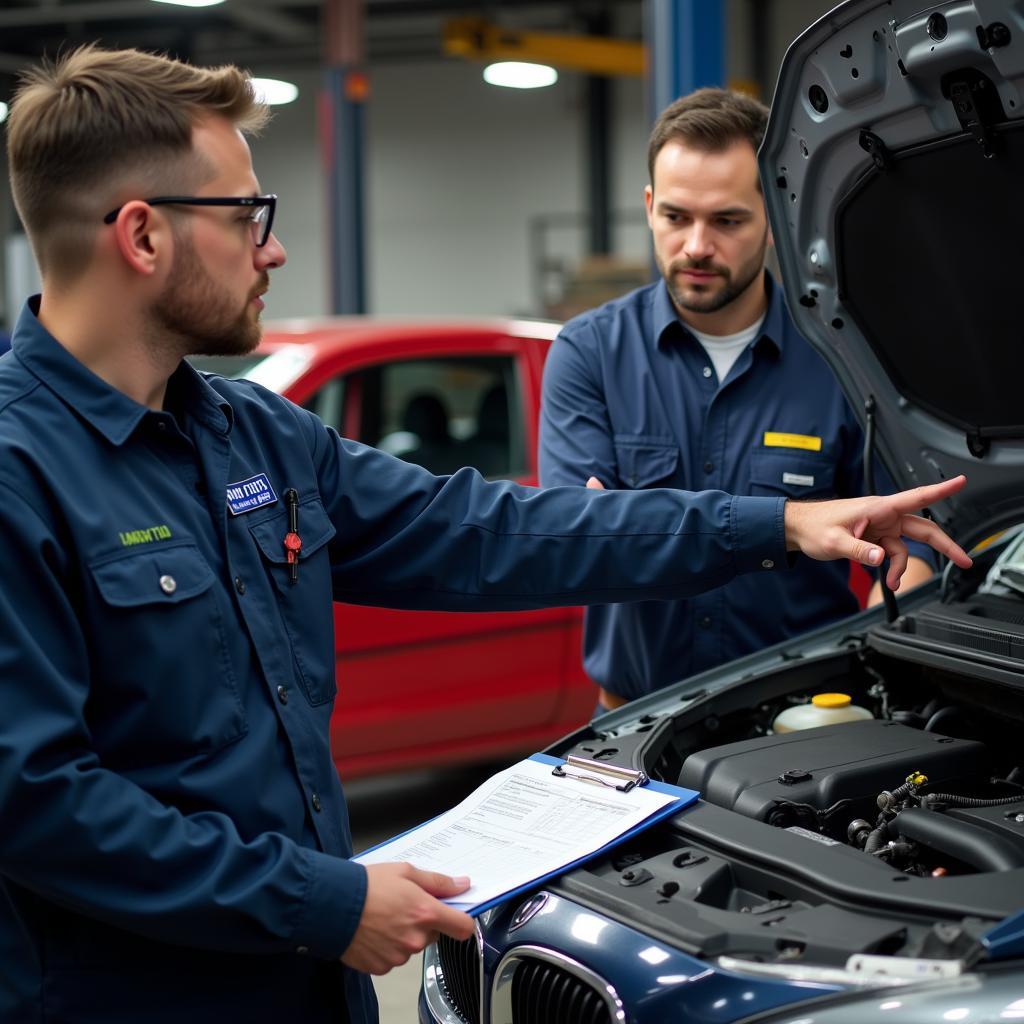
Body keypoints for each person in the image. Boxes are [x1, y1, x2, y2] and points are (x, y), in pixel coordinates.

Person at [0, 47, 969, 1024]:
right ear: (141, 235)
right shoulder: (18, 474)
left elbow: (493, 528)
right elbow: (37, 801)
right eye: (248, 215)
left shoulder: (250, 435)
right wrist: (325, 900)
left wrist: (778, 522)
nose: (273, 248)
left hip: (305, 987)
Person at [539, 88, 936, 713]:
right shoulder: (589, 354)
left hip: (806, 724)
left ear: (775, 217)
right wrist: (787, 529)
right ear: (648, 209)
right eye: (675, 217)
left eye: (726, 221)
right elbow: (580, 540)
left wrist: (888, 629)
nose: (696, 245)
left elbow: (904, 551)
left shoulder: (846, 360)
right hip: (636, 723)